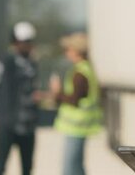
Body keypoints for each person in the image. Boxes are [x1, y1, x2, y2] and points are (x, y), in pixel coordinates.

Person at [0, 21, 40, 175]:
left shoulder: (31, 65)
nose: (27, 45)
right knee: (1, 166)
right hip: (8, 126)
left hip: (28, 127)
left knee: (27, 168)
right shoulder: (4, 64)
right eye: (24, 42)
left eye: (29, 41)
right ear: (15, 42)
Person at [50, 32, 103, 175]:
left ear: (76, 51)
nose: (66, 53)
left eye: (68, 49)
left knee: (69, 168)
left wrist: (57, 92)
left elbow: (74, 100)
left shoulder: (80, 73)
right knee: (77, 166)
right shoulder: (87, 69)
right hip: (81, 126)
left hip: (75, 127)